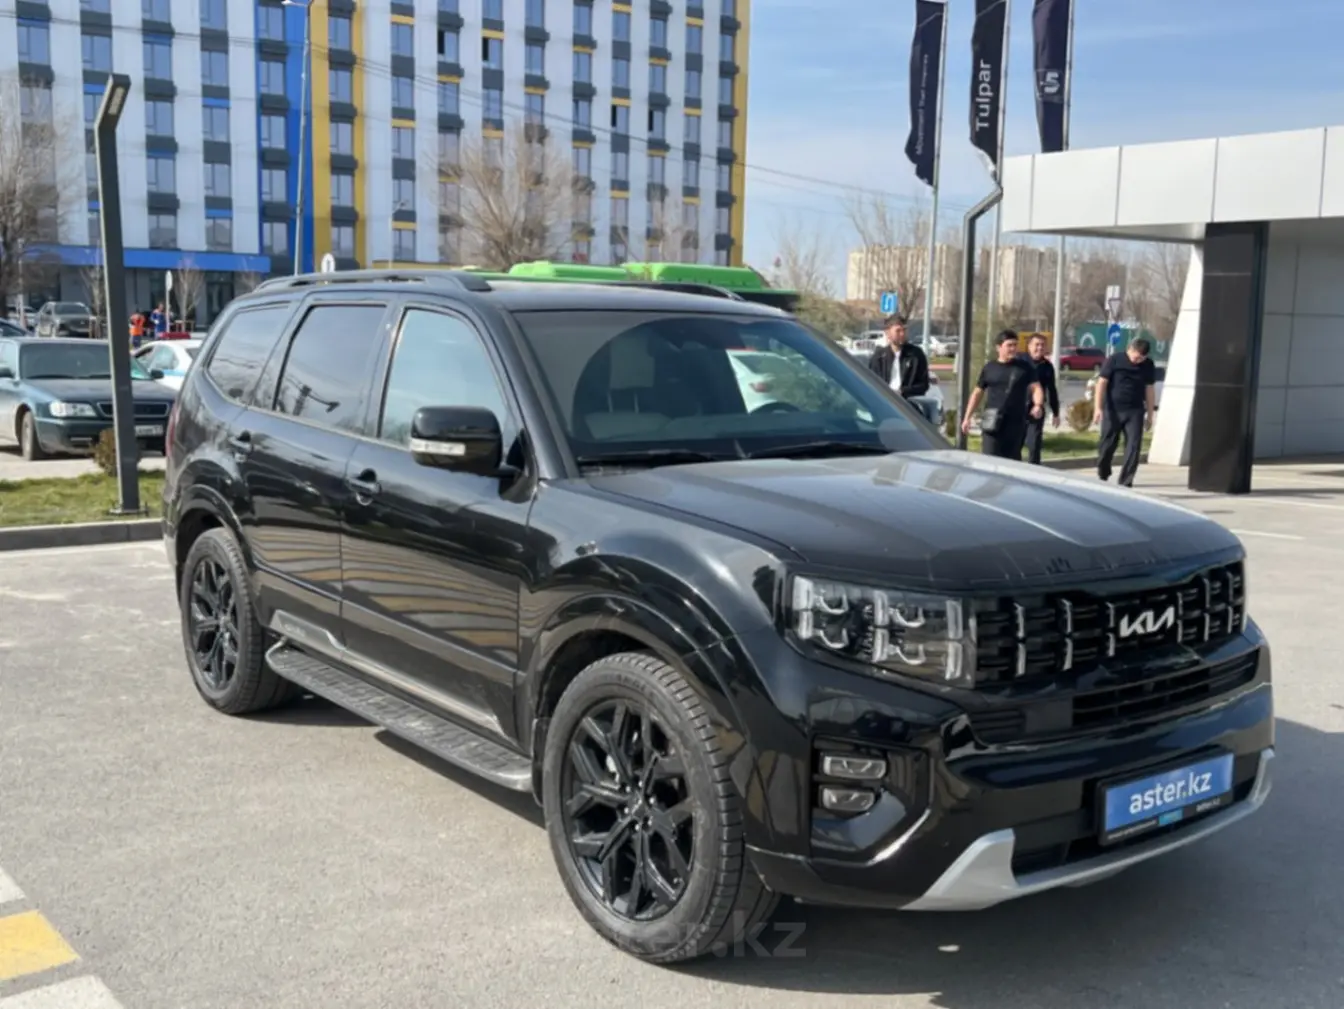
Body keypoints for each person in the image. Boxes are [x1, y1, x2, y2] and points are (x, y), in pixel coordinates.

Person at [961, 330, 1045, 460]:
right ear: (998, 347)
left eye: (1015, 345)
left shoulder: (1025, 368)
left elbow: (1036, 388)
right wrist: (967, 417)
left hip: (1015, 423)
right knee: (989, 458)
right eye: (1009, 345)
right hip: (992, 421)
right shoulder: (990, 368)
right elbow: (977, 393)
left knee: (1012, 460)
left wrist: (1038, 405)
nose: (1013, 349)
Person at [1094, 337, 1157, 487]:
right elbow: (1101, 383)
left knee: (1133, 446)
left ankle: (1126, 481)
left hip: (1135, 411)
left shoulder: (1148, 365)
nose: (1138, 361)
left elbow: (1149, 389)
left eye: (1141, 358)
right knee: (1107, 445)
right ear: (1130, 349)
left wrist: (1150, 414)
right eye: (1136, 357)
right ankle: (1103, 470)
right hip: (1113, 409)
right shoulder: (1115, 360)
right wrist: (1098, 408)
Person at [866, 313, 930, 400]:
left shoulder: (916, 355)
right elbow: (871, 383)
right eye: (898, 331)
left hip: (907, 403)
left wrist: (902, 392)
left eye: (904, 330)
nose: (902, 334)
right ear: (888, 333)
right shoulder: (879, 357)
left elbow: (923, 385)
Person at [1019, 333, 1061, 465]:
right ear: (1029, 346)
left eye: (1042, 345)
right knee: (1015, 445)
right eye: (1036, 345)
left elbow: (1051, 390)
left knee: (1034, 445)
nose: (1040, 348)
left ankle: (1034, 471)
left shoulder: (1047, 366)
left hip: (1036, 410)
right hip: (1017, 408)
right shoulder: (1019, 361)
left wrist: (1056, 413)